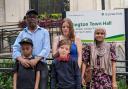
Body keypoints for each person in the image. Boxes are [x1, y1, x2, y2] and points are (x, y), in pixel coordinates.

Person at [12, 9, 50, 89]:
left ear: (37, 19)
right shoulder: (22, 33)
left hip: (41, 64)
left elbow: (46, 48)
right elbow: (15, 48)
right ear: (26, 20)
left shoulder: (44, 32)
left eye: (34, 16)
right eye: (29, 17)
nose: (31, 18)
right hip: (25, 65)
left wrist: (36, 60)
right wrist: (21, 60)